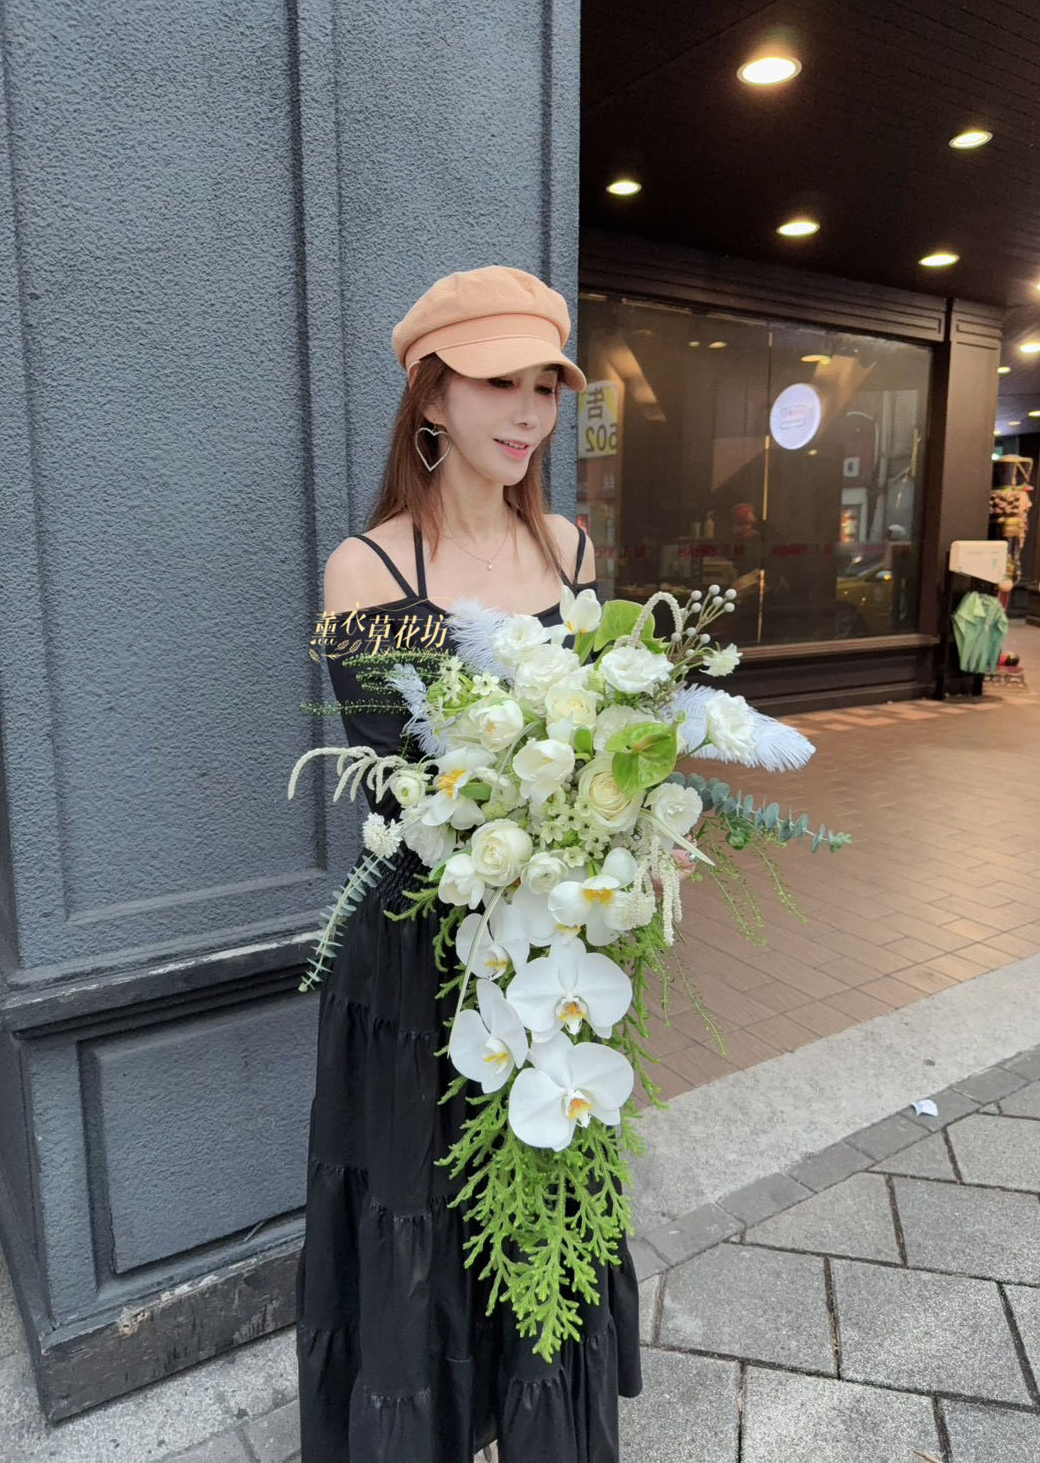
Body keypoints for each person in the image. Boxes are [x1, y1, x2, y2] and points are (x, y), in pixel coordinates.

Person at [296, 265, 643, 1463]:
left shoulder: (569, 548)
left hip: (552, 952)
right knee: (422, 1214)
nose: (528, 413)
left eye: (545, 385)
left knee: (542, 1205)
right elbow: (406, 784)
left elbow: (602, 741)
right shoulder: (372, 570)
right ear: (431, 395)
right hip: (418, 961)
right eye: (500, 383)